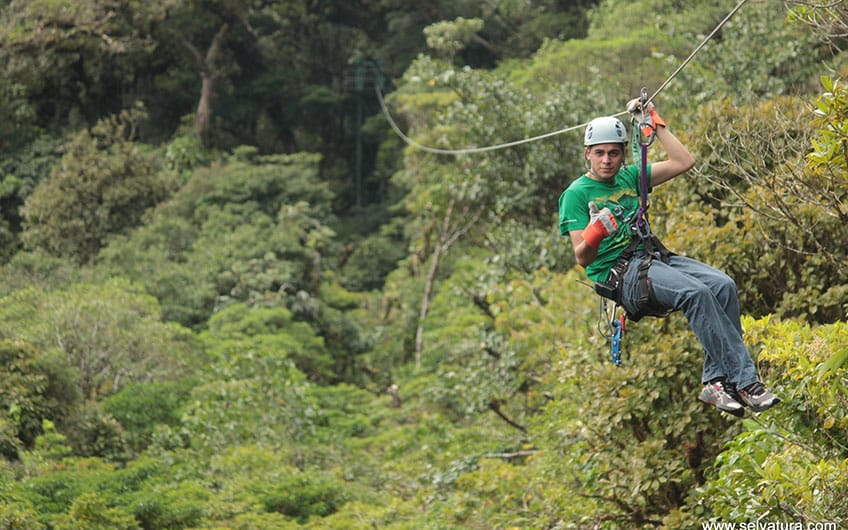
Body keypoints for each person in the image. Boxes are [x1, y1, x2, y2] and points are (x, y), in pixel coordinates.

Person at [558, 100, 779, 416]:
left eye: (614, 153)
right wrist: (595, 232)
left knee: (723, 285)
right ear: (587, 154)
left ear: (623, 155)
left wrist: (654, 122)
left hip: (650, 256)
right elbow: (582, 257)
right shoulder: (576, 194)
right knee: (696, 293)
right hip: (619, 274)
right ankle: (746, 383)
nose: (607, 160)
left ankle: (716, 382)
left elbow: (683, 160)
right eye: (599, 153)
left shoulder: (630, 177)